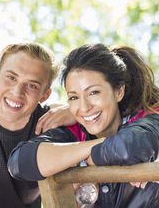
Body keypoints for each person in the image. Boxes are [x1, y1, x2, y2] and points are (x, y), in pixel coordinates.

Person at [8, 43, 159, 208]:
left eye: (94, 92)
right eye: (74, 97)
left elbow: (127, 149)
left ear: (118, 92)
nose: (85, 107)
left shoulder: (149, 120)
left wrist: (77, 158)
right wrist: (91, 150)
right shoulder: (73, 133)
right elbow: (19, 162)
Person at [0, 42, 75, 208]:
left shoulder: (52, 119)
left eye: (32, 85)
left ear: (45, 95)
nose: (17, 92)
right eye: (11, 77)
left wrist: (77, 113)